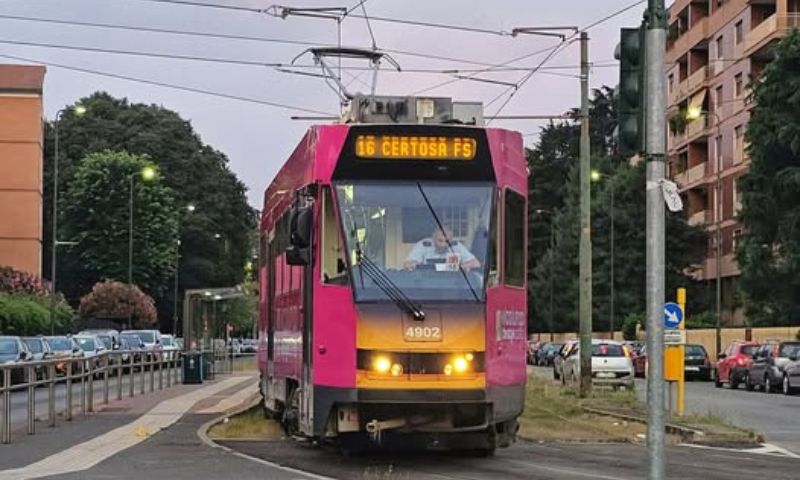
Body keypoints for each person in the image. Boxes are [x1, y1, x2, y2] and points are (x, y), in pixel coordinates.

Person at [403, 226, 480, 271]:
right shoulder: (424, 245)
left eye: (447, 241)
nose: (443, 244)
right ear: (433, 237)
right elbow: (407, 264)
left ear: (452, 239)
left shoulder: (456, 245)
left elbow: (476, 263)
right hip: (427, 282)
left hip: (451, 283)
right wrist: (417, 265)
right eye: (440, 240)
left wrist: (460, 267)